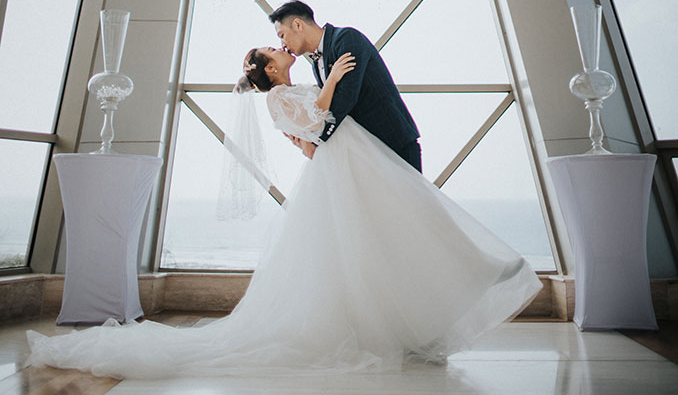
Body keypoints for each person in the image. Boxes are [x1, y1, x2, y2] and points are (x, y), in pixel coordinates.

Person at [27, 45, 541, 380]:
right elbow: (316, 118)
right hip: (344, 167)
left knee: (389, 232)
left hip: (348, 162)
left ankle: (440, 304)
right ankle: (451, 292)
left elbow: (311, 137)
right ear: (271, 69)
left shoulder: (288, 88)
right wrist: (333, 80)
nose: (281, 48)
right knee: (388, 231)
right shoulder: (277, 99)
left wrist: (322, 107)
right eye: (274, 48)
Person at [269, 0, 422, 170]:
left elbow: (347, 97)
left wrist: (316, 139)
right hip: (368, 152)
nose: (282, 45)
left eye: (282, 35)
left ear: (298, 24)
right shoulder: (316, 64)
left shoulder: (346, 39)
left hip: (393, 141)